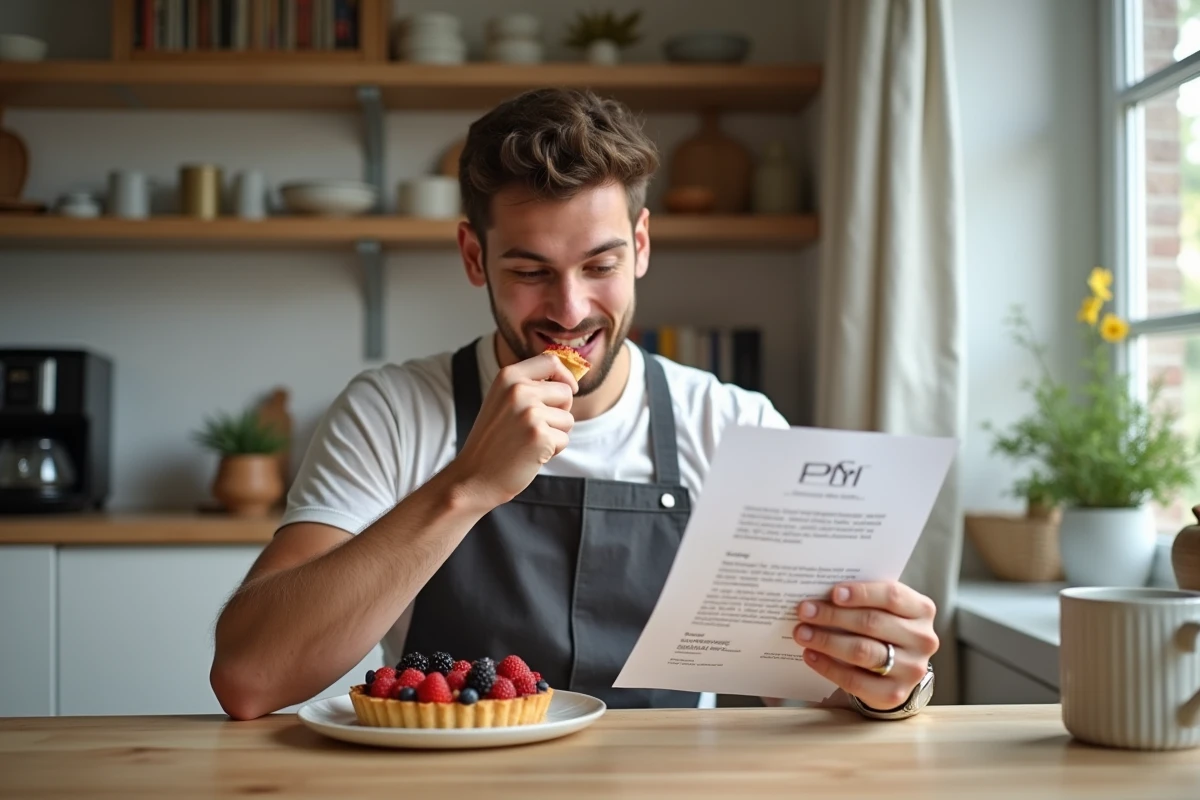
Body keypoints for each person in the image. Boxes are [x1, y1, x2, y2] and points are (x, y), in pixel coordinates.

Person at [209, 88, 940, 721]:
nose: (569, 309)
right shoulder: (392, 411)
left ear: (642, 247)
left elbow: (816, 684)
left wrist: (886, 683)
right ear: (473, 257)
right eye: (530, 270)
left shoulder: (731, 424)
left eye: (601, 265)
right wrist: (468, 486)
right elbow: (249, 680)